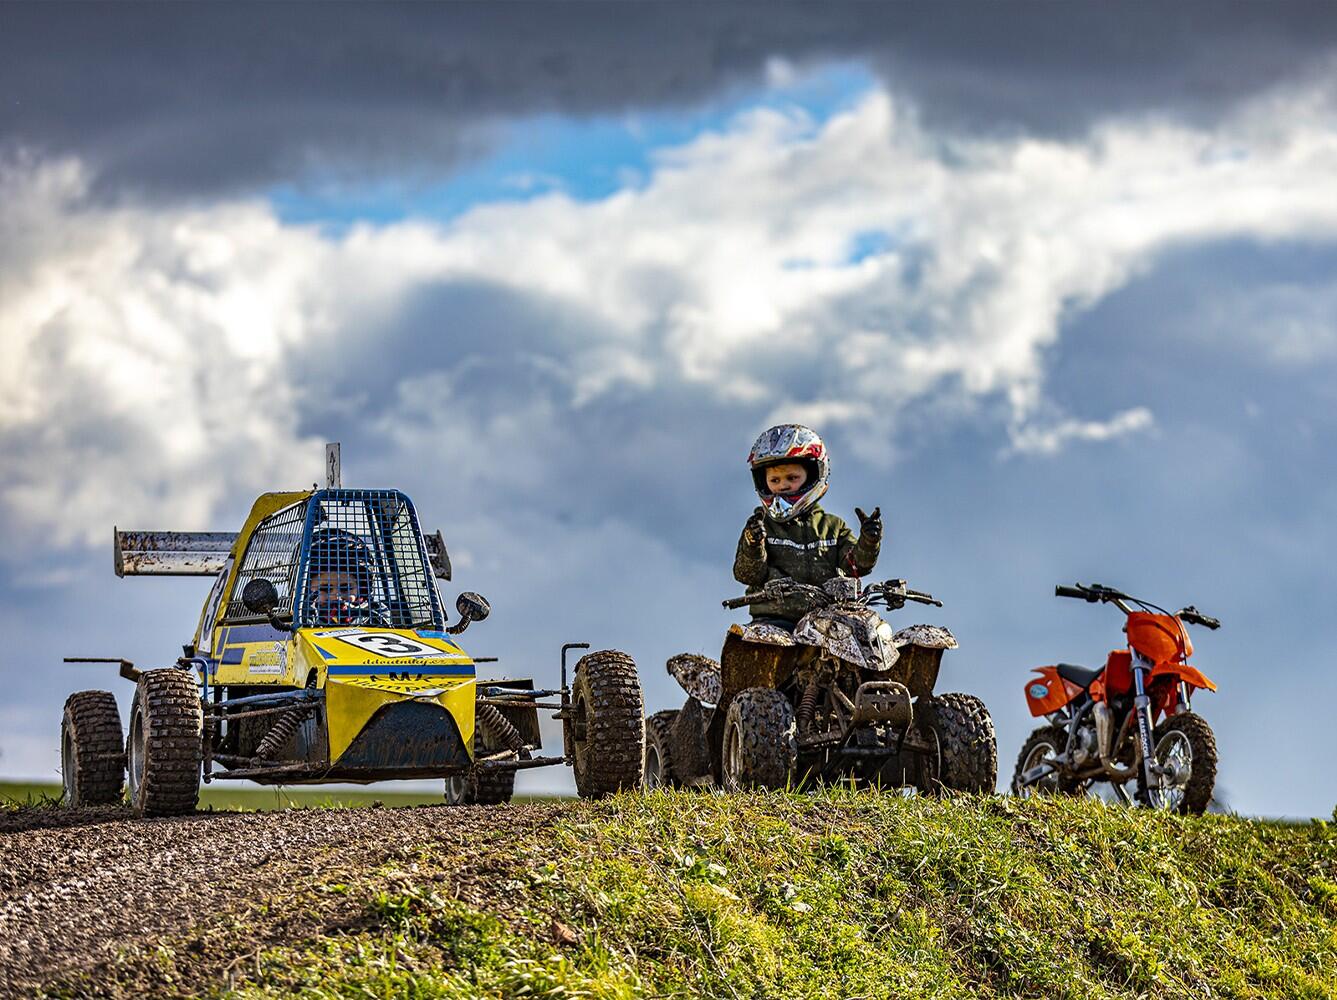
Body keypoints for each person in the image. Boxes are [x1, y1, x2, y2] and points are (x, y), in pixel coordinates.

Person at [733, 424, 882, 625]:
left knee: (872, 635)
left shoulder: (832, 527)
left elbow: (855, 567)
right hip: (774, 620)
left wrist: (869, 541)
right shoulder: (761, 527)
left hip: (828, 621)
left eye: (792, 478)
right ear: (762, 481)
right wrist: (752, 543)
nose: (783, 485)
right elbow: (747, 574)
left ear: (813, 476)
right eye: (774, 480)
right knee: (753, 641)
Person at [303, 527, 389, 626]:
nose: (336, 597)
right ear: (306, 590)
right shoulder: (292, 623)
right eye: (324, 589)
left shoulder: (376, 615)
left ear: (361, 590)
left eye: (346, 588)